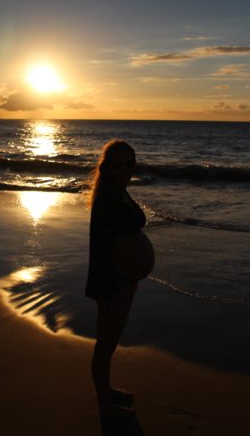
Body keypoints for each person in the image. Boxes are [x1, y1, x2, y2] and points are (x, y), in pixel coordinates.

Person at [86, 139, 154, 418]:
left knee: (109, 343)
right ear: (106, 167)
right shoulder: (107, 199)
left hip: (124, 280)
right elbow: (101, 247)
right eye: (118, 165)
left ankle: (107, 392)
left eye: (130, 163)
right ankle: (104, 400)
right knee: (106, 344)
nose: (125, 169)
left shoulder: (120, 193)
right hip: (112, 282)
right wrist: (116, 284)